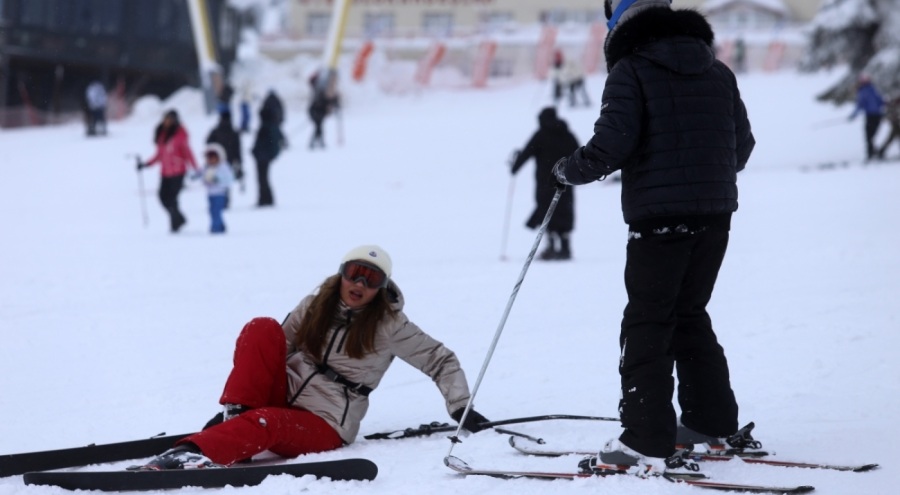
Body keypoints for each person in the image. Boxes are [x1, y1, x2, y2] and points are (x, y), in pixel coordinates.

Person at [551, 0, 756, 476]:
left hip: (660, 219)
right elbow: (740, 146)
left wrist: (567, 170)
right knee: (689, 314)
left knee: (648, 323)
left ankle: (645, 439)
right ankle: (710, 421)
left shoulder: (632, 69)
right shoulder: (717, 71)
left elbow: (612, 144)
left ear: (620, 23)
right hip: (716, 216)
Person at [136, 245, 490, 470]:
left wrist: (461, 407)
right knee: (262, 327)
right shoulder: (315, 304)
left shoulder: (390, 325)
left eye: (372, 279)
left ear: (380, 287)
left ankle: (194, 454)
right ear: (342, 275)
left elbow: (440, 359)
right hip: (283, 396)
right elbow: (278, 346)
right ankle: (238, 417)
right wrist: (243, 400)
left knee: (268, 423)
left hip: (325, 421)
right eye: (355, 273)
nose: (360, 283)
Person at [510, 107, 579, 260]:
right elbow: (579, 154)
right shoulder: (567, 135)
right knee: (564, 212)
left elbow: (527, 152)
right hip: (565, 182)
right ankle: (565, 248)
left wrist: (515, 168)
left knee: (547, 211)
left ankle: (551, 247)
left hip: (545, 183)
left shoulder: (540, 135)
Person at [138, 110, 200, 233]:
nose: (167, 122)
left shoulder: (180, 135)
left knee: (172, 198)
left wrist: (195, 168)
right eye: (165, 119)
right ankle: (179, 219)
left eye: (170, 119)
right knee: (162, 197)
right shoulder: (161, 134)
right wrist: (146, 164)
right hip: (165, 172)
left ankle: (175, 224)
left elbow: (187, 153)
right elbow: (159, 155)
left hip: (178, 171)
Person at [251, 90, 286, 207]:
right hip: (263, 155)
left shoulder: (268, 125)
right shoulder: (271, 124)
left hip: (263, 156)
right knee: (263, 178)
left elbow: (267, 141)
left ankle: (265, 200)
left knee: (262, 179)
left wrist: (260, 151)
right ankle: (265, 199)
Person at [206, 110, 244, 203]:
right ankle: (225, 200)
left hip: (216, 161)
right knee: (226, 181)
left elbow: (208, 142)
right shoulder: (233, 132)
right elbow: (238, 149)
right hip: (229, 160)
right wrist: (239, 162)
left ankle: (218, 200)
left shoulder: (216, 131)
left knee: (216, 181)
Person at [848, 74, 885, 161]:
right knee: (870, 136)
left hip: (873, 116)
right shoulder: (870, 90)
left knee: (869, 136)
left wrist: (854, 115)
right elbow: (880, 101)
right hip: (874, 116)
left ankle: (872, 154)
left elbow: (879, 101)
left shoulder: (868, 90)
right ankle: (872, 153)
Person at [201, 143, 235, 234]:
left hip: (220, 194)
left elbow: (228, 180)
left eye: (213, 157)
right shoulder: (207, 168)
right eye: (209, 158)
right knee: (212, 211)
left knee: (216, 211)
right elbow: (202, 177)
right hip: (211, 194)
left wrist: (217, 180)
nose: (211, 160)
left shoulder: (223, 167)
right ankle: (219, 226)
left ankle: (216, 229)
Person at [308, 71, 341, 149]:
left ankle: (315, 142)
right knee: (318, 127)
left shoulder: (330, 91)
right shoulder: (321, 89)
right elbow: (322, 101)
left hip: (320, 112)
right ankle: (317, 142)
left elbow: (333, 102)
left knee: (318, 127)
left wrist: (335, 104)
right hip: (315, 111)